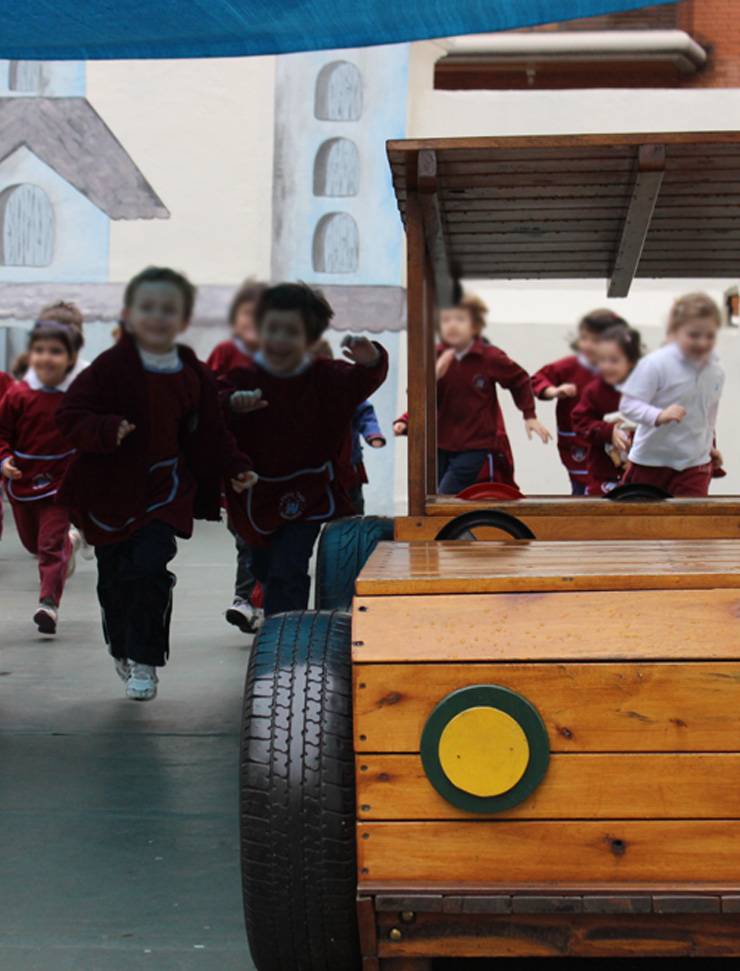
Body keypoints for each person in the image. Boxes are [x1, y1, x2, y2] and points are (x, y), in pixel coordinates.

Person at [55, 266, 256, 701]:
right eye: (148, 308)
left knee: (148, 569)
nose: (158, 317)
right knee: (114, 581)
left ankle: (145, 660)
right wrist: (105, 429)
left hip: (165, 490)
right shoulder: (110, 367)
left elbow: (212, 431)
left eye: (169, 309)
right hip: (108, 494)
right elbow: (69, 415)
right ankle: (121, 647)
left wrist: (235, 466)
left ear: (183, 319)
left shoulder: (192, 372)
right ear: (131, 315)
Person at [221, 282, 388, 616]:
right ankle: (275, 616)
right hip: (255, 491)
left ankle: (286, 638)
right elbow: (210, 403)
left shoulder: (327, 375)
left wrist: (373, 360)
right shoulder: (244, 375)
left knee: (289, 569)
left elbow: (362, 381)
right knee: (263, 566)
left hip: (308, 491)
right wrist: (231, 403)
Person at [394, 293, 550, 495]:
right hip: (441, 441)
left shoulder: (489, 357)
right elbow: (417, 394)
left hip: (475, 443)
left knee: (446, 494)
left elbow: (519, 379)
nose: (452, 325)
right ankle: (458, 517)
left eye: (460, 319)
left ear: (475, 326)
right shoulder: (435, 356)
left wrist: (529, 415)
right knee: (439, 494)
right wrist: (433, 378)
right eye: (446, 320)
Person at [0, 321, 78, 634]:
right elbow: (1, 432)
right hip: (23, 485)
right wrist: (4, 459)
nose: (47, 357)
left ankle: (48, 604)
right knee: (34, 544)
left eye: (56, 351)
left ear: (70, 358)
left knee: (49, 544)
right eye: (40, 350)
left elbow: (91, 431)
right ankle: (69, 542)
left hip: (60, 485)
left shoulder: (76, 397)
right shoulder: (17, 395)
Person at [617, 292, 725, 497]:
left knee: (689, 517)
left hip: (694, 464)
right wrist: (658, 415)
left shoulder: (716, 371)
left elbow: (708, 415)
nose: (702, 343)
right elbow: (628, 405)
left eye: (709, 336)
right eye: (693, 335)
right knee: (642, 516)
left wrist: (707, 446)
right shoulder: (656, 364)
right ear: (675, 331)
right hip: (651, 461)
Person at [207, 281, 268, 634]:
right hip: (236, 461)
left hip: (276, 463)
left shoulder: (286, 358)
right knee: (244, 531)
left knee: (267, 536)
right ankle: (249, 598)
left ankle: (253, 599)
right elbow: (205, 395)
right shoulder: (226, 351)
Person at [532, 309, 627, 494]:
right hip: (578, 444)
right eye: (584, 338)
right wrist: (553, 391)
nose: (587, 345)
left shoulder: (624, 371)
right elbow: (538, 379)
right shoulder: (571, 366)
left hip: (614, 446)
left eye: (595, 340)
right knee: (583, 492)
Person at [571, 325, 642, 496]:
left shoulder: (646, 390)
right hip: (603, 476)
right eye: (602, 360)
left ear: (632, 361)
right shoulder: (595, 391)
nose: (607, 366)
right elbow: (580, 423)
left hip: (641, 474)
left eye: (614, 361)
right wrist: (608, 432)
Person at [207, 280, 267, 378]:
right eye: (248, 313)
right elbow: (204, 381)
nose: (254, 320)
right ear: (234, 321)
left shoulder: (276, 356)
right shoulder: (224, 351)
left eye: (261, 314)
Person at [348, 400, 386, 514]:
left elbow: (364, 413)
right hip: (316, 465)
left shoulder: (349, 394)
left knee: (353, 505)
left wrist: (372, 433)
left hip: (349, 464)